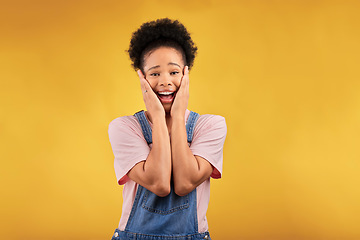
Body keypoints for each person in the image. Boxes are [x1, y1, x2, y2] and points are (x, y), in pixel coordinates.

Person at [108, 18, 227, 240]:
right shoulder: (124, 128)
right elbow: (159, 183)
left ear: (186, 74)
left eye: (173, 72)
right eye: (154, 74)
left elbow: (185, 183)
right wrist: (160, 119)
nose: (165, 81)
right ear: (141, 77)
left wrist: (178, 115)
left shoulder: (210, 126)